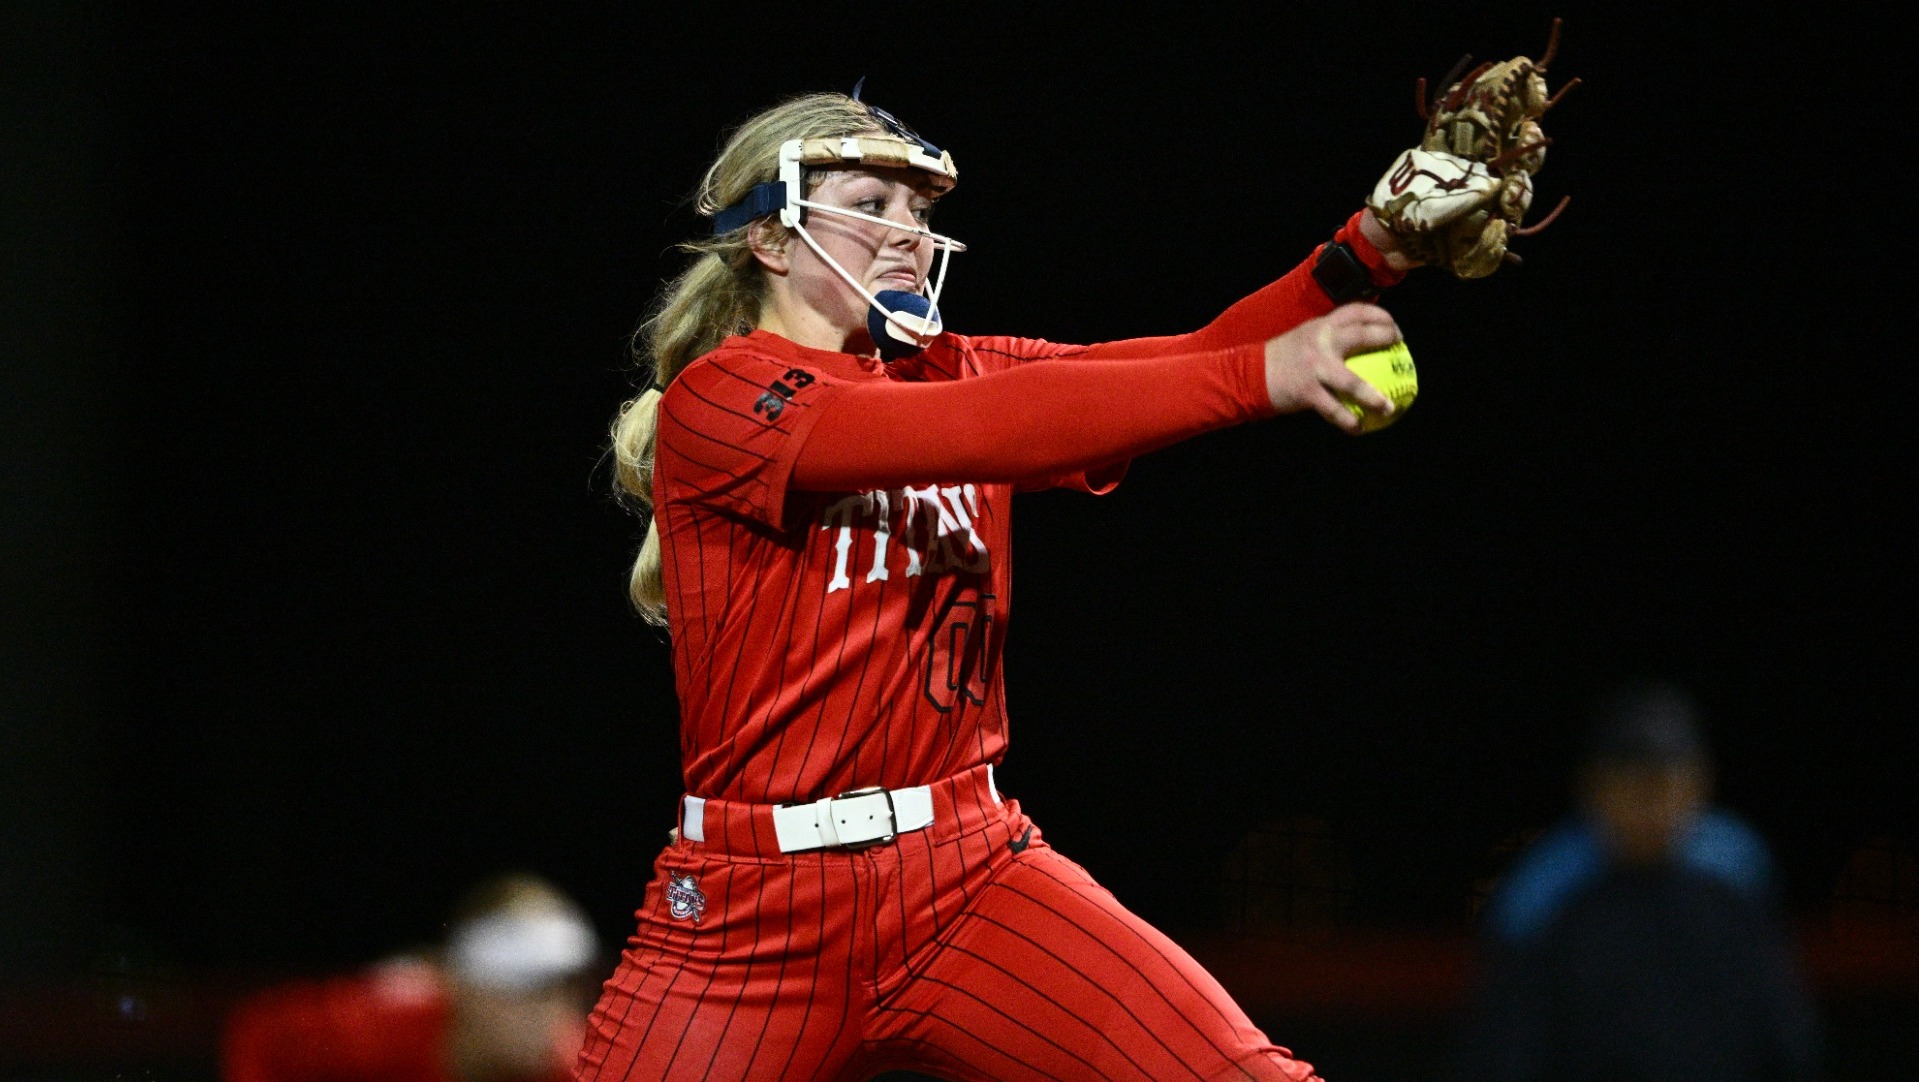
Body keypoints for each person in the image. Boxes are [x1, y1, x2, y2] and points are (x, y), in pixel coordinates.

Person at [583, 78, 1539, 1082]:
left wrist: (1362, 254)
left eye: (916, 210)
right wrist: (1262, 378)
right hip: (747, 912)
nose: (907, 232)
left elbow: (1182, 360)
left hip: (963, 875)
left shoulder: (952, 367)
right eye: (868, 205)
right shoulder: (721, 397)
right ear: (768, 241)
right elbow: (984, 426)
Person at [1458, 680, 1822, 1082]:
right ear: (1592, 786)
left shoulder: (1736, 874)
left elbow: (1784, 1035)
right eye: (1632, 782)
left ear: (1700, 783)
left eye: (1666, 781)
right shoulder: (1542, 893)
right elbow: (1505, 1051)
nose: (1651, 802)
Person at [223, 872, 602, 1082]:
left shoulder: (580, 1065)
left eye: (561, 987)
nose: (547, 1013)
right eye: (524, 987)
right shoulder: (377, 1023)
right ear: (463, 988)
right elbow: (256, 1033)